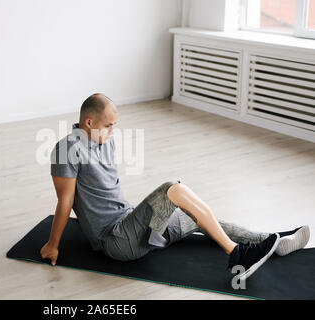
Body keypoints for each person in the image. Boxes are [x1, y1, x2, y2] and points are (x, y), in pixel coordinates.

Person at [40, 93, 310, 282]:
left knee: (200, 215)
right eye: (109, 125)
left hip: (132, 224)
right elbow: (66, 201)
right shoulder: (67, 149)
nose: (113, 130)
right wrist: (53, 245)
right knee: (173, 188)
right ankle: (236, 254)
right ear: (89, 122)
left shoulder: (105, 140)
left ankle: (267, 240)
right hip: (116, 241)